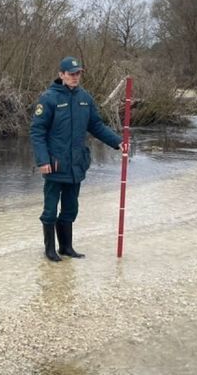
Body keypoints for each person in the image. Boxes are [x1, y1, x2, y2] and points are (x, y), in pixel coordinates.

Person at [30, 56, 124, 262]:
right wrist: (43, 160)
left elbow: (96, 125)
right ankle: (50, 250)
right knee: (50, 209)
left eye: (78, 73)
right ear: (61, 75)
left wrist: (117, 142)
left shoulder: (85, 98)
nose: (75, 77)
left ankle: (66, 247)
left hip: (76, 165)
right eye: (71, 73)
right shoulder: (48, 98)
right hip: (55, 165)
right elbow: (37, 132)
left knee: (71, 208)